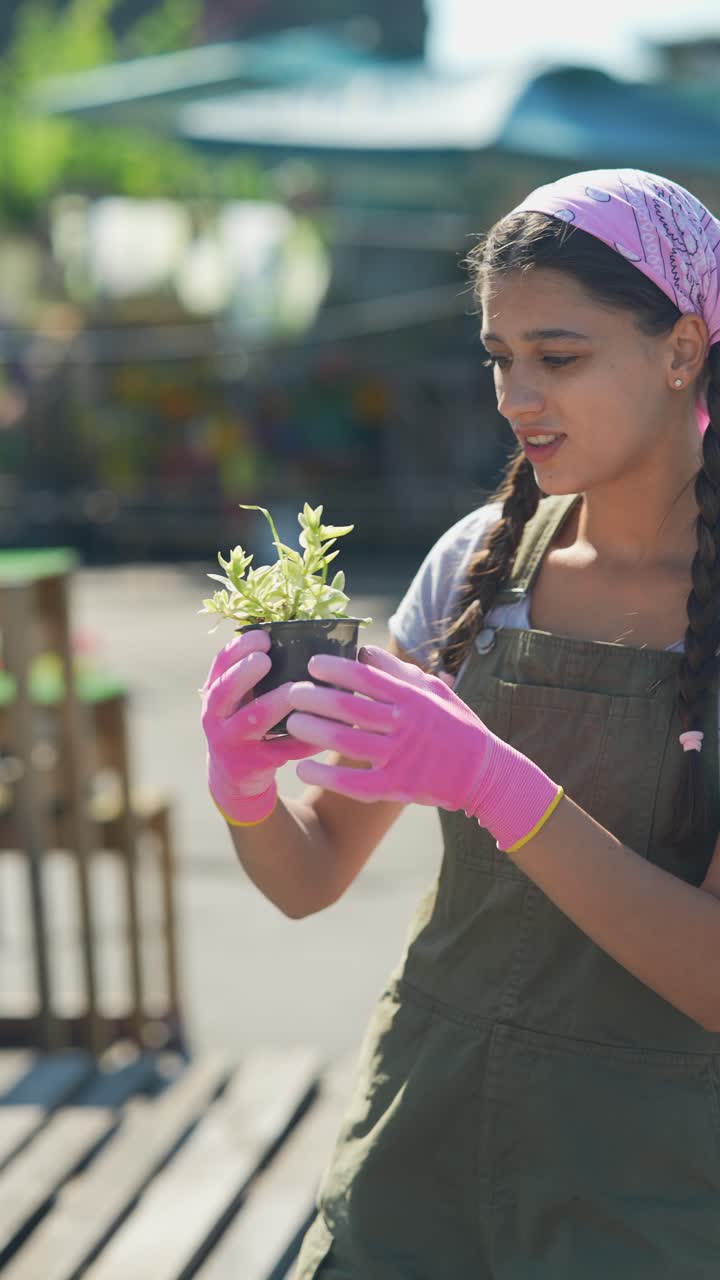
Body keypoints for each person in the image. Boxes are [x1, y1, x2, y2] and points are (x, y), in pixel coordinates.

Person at [200, 169, 720, 1278]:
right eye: (500, 356)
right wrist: (244, 790)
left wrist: (501, 785)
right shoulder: (478, 567)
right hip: (417, 1152)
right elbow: (312, 873)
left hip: (647, 1200)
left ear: (683, 348)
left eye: (560, 356)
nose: (516, 396)